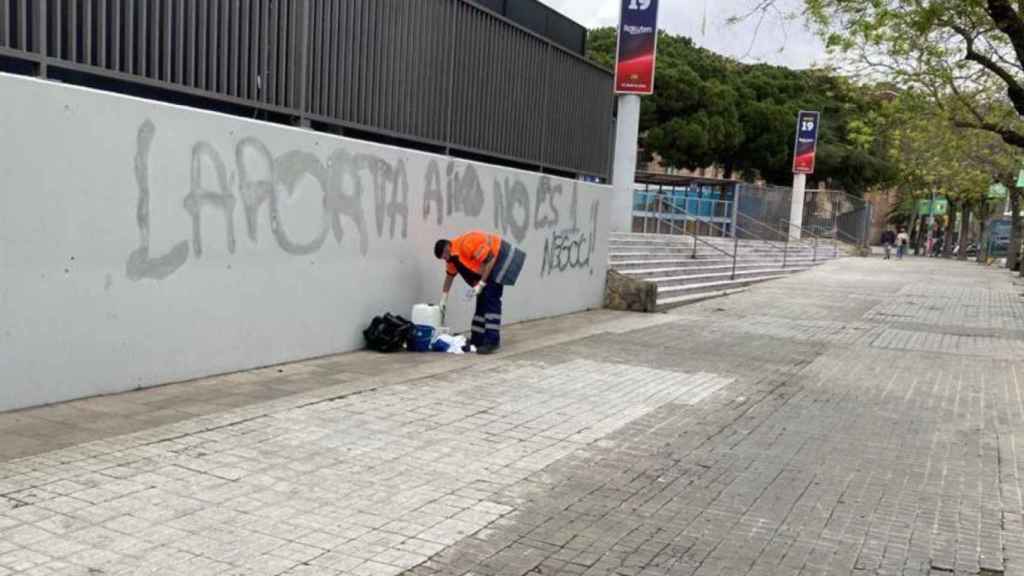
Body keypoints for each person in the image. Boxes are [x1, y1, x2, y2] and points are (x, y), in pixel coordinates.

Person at [435, 231, 526, 354]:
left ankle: (492, 341)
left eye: (445, 257)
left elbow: (490, 259)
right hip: (487, 267)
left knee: (491, 299)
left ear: (447, 249)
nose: (445, 260)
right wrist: (444, 298)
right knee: (481, 301)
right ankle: (477, 340)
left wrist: (481, 284)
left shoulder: (467, 244)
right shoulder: (452, 258)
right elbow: (449, 276)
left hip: (499, 258)